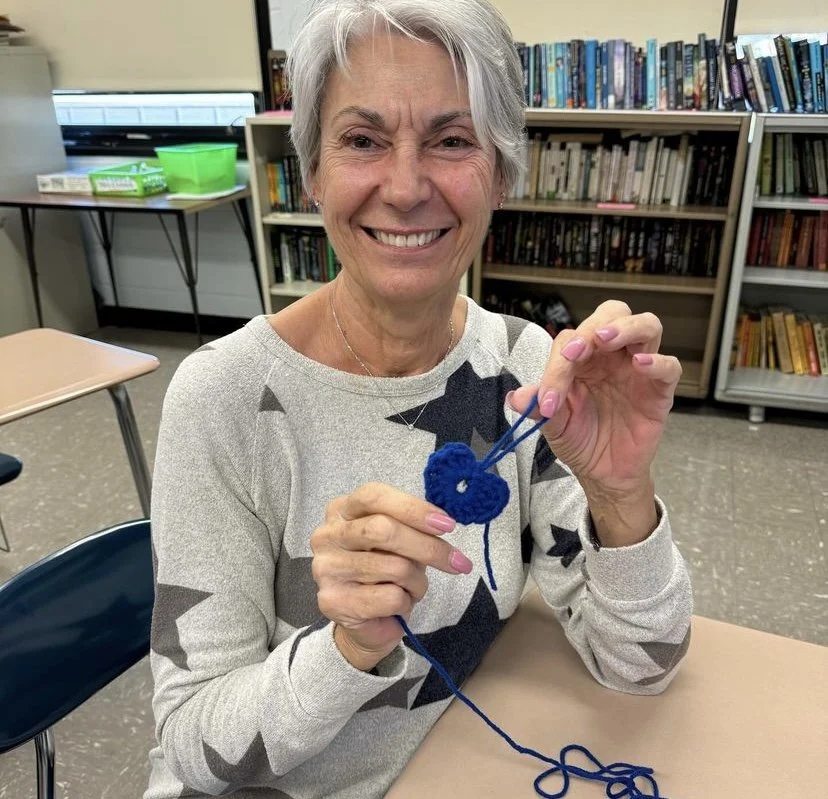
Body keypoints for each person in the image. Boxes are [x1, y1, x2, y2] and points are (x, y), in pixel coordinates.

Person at [145, 1, 692, 797]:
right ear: (312, 171)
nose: (404, 188)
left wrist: (620, 492)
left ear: (501, 174)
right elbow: (196, 750)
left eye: (451, 140)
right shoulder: (225, 398)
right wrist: (346, 648)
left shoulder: (524, 367)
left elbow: (640, 665)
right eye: (363, 140)